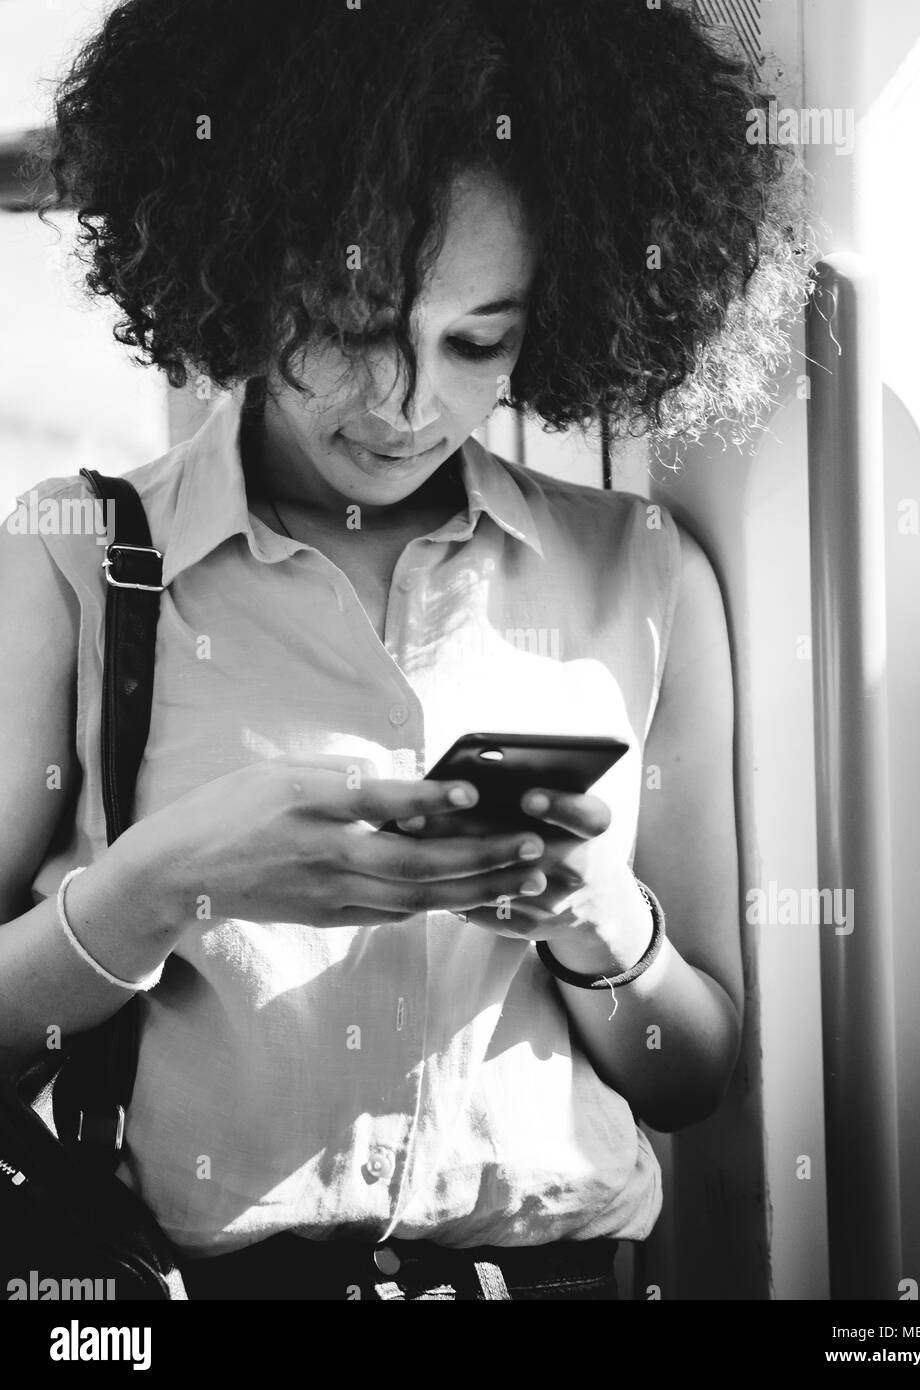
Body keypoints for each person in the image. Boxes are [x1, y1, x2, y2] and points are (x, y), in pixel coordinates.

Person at [1, 0, 813, 1299]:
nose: (408, 401)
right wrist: (151, 887)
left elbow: (692, 1070)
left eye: (477, 341)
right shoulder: (72, 559)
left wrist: (602, 927)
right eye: (352, 320)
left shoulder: (640, 571)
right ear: (245, 268)